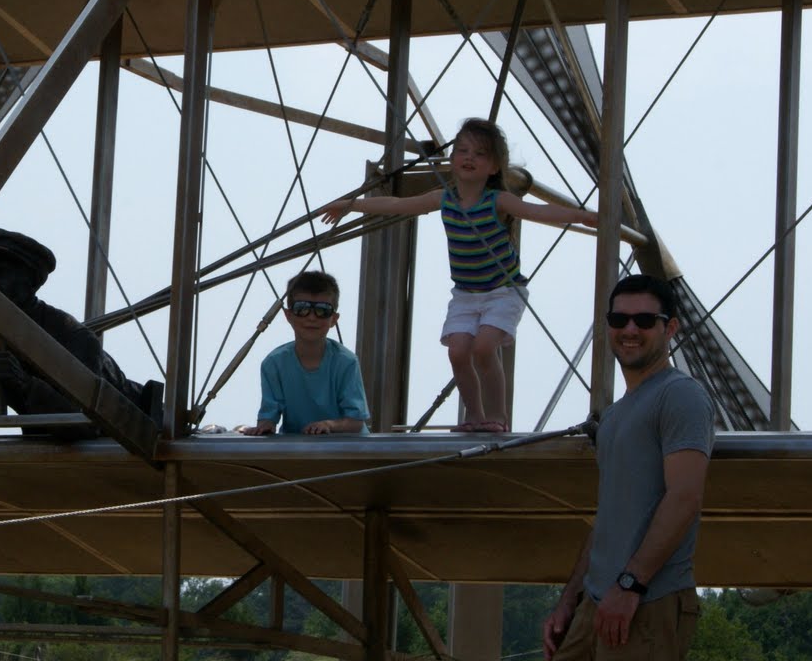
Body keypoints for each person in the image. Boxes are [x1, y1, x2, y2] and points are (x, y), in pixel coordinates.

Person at [532, 273, 714, 661]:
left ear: (670, 328)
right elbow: (608, 516)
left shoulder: (681, 397)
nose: (630, 329)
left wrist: (631, 585)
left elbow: (684, 497)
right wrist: (568, 602)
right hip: (596, 605)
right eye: (619, 319)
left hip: (647, 603)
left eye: (644, 320)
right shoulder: (614, 416)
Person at [319, 118, 599, 432]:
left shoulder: (498, 201)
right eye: (463, 151)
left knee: (484, 348)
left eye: (480, 154)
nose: (469, 158)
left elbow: (538, 211)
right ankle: (474, 416)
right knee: (458, 352)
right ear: (452, 160)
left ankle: (498, 416)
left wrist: (581, 216)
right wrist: (351, 205)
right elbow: (398, 204)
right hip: (466, 293)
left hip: (503, 290)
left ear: (494, 167)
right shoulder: (444, 198)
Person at [0, 228, 156, 440]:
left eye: (0, 272)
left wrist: (26, 384)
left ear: (30, 282)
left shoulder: (73, 336)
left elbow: (84, 424)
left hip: (135, 432)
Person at [241, 270, 368, 435]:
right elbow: (268, 418)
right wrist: (264, 427)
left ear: (334, 319)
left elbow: (355, 422)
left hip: (345, 447)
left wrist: (328, 425)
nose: (312, 318)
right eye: (302, 309)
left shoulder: (346, 362)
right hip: (296, 447)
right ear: (288, 315)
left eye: (322, 310)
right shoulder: (274, 363)